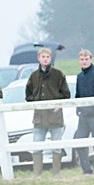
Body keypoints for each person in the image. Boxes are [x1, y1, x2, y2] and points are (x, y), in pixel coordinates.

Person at [25, 48, 71, 178]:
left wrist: (58, 105)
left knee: (56, 146)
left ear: (50, 58)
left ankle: (56, 173)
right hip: (39, 118)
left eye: (47, 56)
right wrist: (37, 103)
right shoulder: (34, 76)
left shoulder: (58, 74)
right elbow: (28, 95)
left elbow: (66, 94)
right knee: (37, 146)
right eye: (43, 56)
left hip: (55, 117)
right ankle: (36, 174)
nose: (45, 59)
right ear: (38, 58)